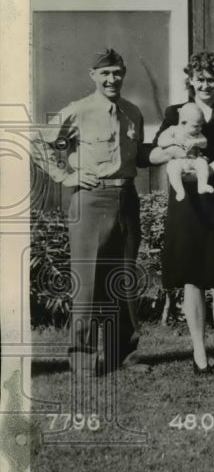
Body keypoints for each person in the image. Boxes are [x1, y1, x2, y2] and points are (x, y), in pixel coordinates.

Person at [33, 49, 151, 380]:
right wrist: (66, 175)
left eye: (117, 73)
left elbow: (138, 155)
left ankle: (122, 354)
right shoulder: (79, 111)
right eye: (105, 74)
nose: (112, 79)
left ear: (124, 73)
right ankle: (83, 358)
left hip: (127, 199)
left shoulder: (132, 112)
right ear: (93, 76)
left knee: (123, 279)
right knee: (87, 282)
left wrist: (173, 148)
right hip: (92, 200)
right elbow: (40, 143)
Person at [149, 51, 214, 375]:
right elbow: (157, 147)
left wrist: (205, 172)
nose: (205, 84)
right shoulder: (175, 112)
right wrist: (174, 156)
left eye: (211, 78)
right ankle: (198, 350)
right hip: (187, 204)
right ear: (190, 80)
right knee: (192, 278)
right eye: (199, 78)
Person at [157, 102, 214, 201]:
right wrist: (173, 141)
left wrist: (197, 142)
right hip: (178, 161)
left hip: (195, 160)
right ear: (183, 123)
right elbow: (160, 142)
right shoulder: (173, 130)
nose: (200, 129)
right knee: (172, 168)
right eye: (196, 126)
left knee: (203, 164)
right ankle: (179, 190)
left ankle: (202, 185)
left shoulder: (197, 134)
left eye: (201, 126)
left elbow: (205, 143)